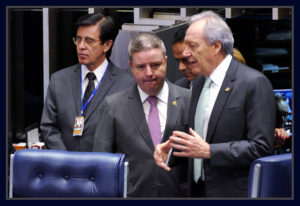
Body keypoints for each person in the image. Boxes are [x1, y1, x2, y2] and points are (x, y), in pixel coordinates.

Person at [154, 10, 276, 197]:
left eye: (192, 46)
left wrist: (210, 151)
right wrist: (172, 150)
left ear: (216, 46)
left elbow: (261, 147)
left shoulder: (253, 83)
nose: (186, 53)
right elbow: (198, 136)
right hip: (196, 191)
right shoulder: (199, 82)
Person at [93, 33, 190, 197]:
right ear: (131, 66)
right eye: (141, 67)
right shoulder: (113, 105)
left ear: (166, 62)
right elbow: (101, 163)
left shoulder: (188, 99)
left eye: (155, 65)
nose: (149, 73)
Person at [40, 13, 134, 151]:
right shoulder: (59, 80)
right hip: (64, 168)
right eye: (78, 39)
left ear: (107, 45)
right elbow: (48, 127)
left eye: (89, 41)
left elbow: (127, 135)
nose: (81, 46)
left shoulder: (126, 84)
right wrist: (66, 160)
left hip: (103, 168)